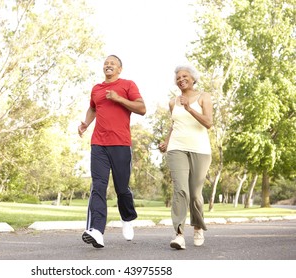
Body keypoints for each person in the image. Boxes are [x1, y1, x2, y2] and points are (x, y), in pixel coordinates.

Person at [78, 55, 146, 248]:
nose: (108, 65)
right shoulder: (96, 89)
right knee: (98, 185)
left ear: (119, 69)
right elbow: (93, 109)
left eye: (112, 63)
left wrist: (118, 98)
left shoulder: (127, 85)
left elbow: (142, 108)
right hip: (98, 143)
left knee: (121, 188)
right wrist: (85, 123)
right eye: (106, 63)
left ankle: (127, 218)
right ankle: (96, 231)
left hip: (121, 144)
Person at [159, 64, 213, 250]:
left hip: (200, 150)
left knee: (195, 194)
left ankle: (198, 227)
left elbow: (208, 123)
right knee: (181, 190)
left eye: (185, 76)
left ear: (193, 78)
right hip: (177, 148)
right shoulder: (173, 102)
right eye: (178, 77)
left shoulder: (203, 96)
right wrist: (166, 143)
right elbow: (174, 125)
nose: (181, 79)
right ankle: (179, 234)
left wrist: (189, 108)